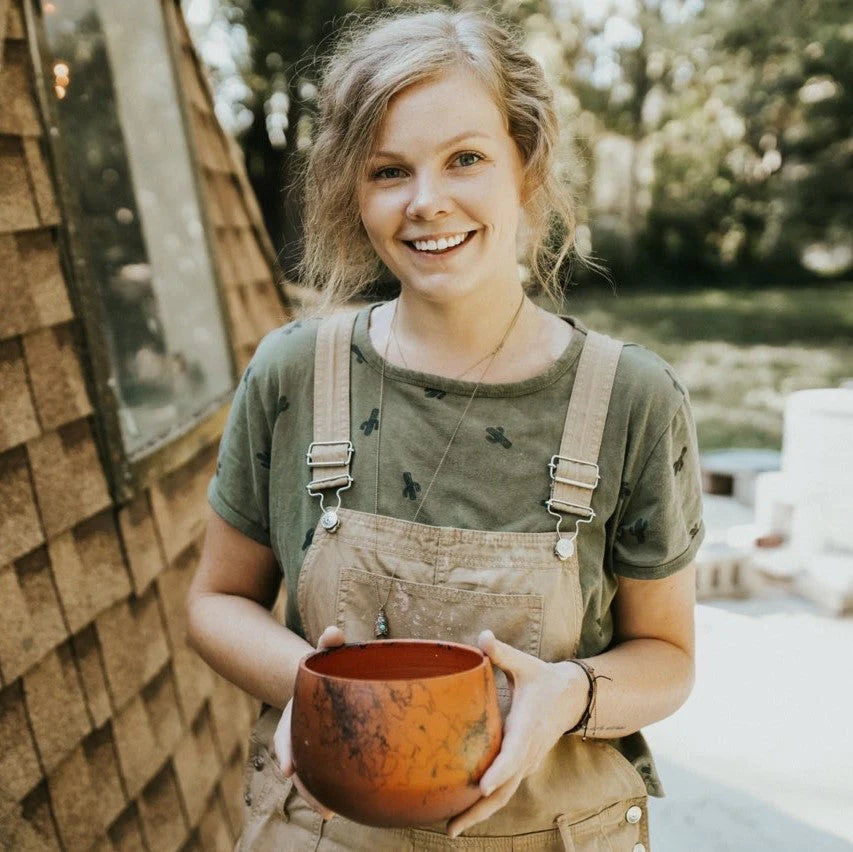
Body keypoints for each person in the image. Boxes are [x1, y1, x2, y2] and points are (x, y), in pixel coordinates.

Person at [186, 7, 704, 850]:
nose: (427, 203)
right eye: (388, 170)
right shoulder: (292, 374)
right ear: (353, 191)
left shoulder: (629, 399)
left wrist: (567, 695)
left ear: (525, 166)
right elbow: (215, 600)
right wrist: (317, 691)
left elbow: (668, 657)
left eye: (465, 158)